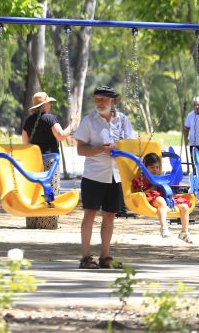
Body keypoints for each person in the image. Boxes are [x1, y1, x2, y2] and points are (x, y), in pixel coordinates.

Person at [73, 86, 134, 269]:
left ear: (112, 101)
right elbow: (80, 149)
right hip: (94, 176)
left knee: (110, 216)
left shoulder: (123, 121)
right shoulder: (89, 121)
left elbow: (130, 145)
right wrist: (100, 149)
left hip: (116, 176)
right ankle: (85, 257)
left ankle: (105, 256)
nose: (99, 103)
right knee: (89, 214)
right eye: (97, 99)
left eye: (103, 99)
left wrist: (119, 147)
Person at [132, 153, 194, 243]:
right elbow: (139, 194)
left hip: (165, 195)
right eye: (152, 167)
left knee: (184, 206)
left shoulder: (161, 178)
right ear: (145, 168)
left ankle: (184, 232)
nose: (155, 170)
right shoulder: (141, 179)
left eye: (157, 167)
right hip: (151, 197)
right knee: (161, 202)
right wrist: (151, 188)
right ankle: (164, 228)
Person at [21, 92, 78, 156]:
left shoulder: (28, 120)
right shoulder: (49, 118)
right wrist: (73, 123)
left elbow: (25, 143)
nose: (51, 105)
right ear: (44, 105)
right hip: (50, 161)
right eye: (50, 103)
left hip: (34, 160)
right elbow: (61, 136)